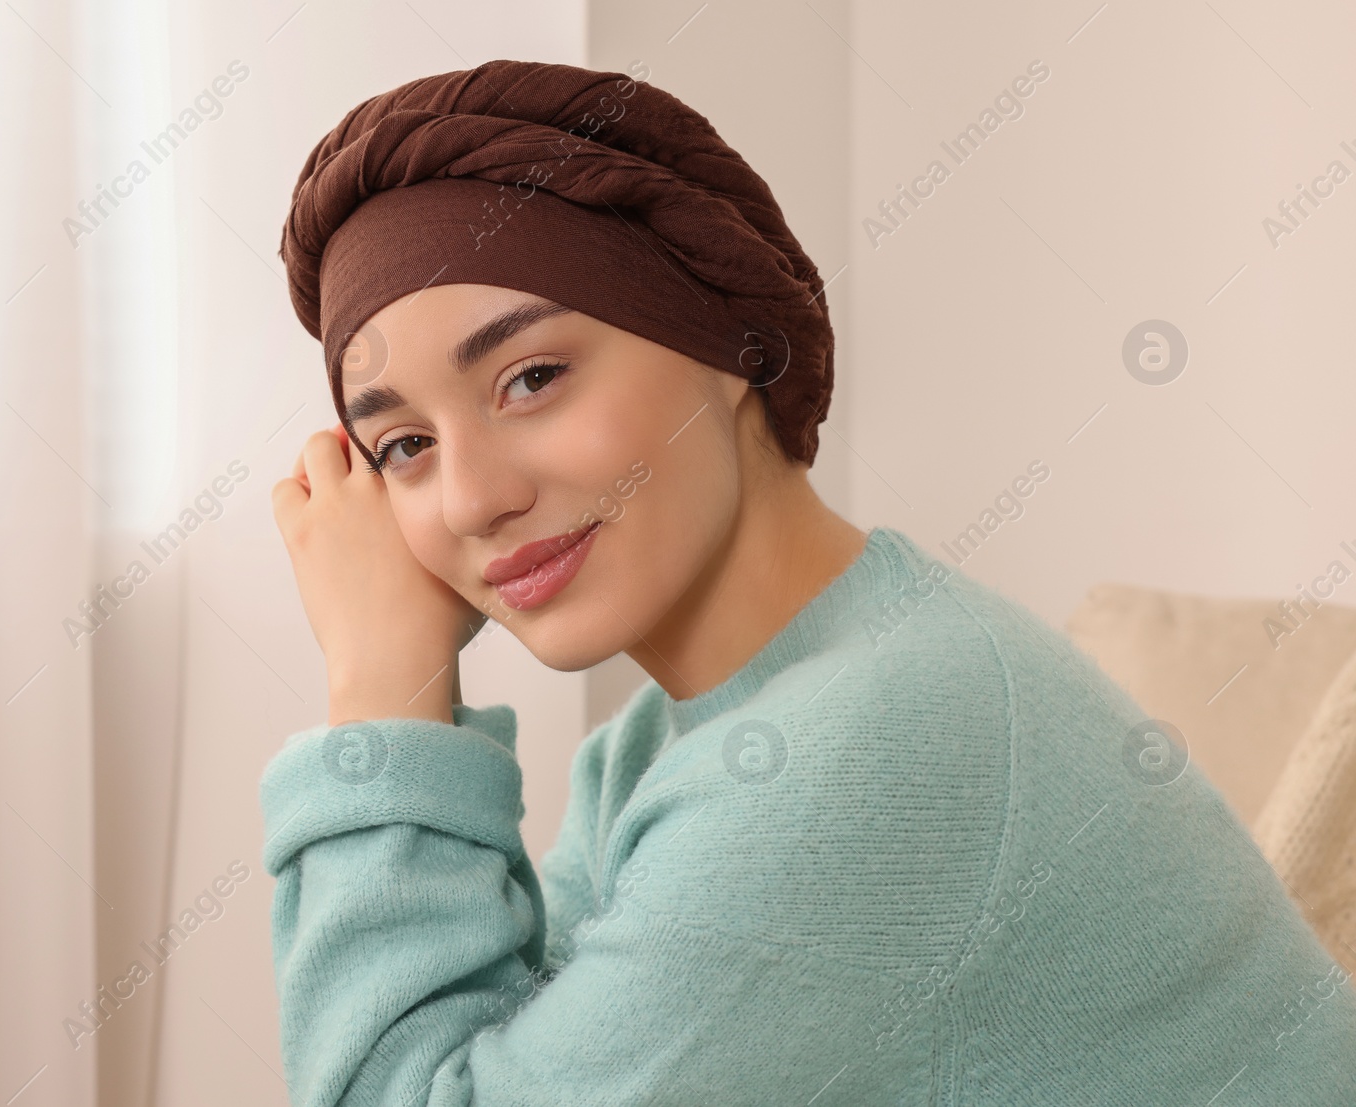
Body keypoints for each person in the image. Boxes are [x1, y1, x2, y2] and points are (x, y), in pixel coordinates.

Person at [261, 59, 1356, 1105]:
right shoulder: (669, 744)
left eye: (531, 377)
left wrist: (382, 686)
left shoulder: (864, 753)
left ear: (730, 340)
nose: (468, 499)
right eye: (404, 447)